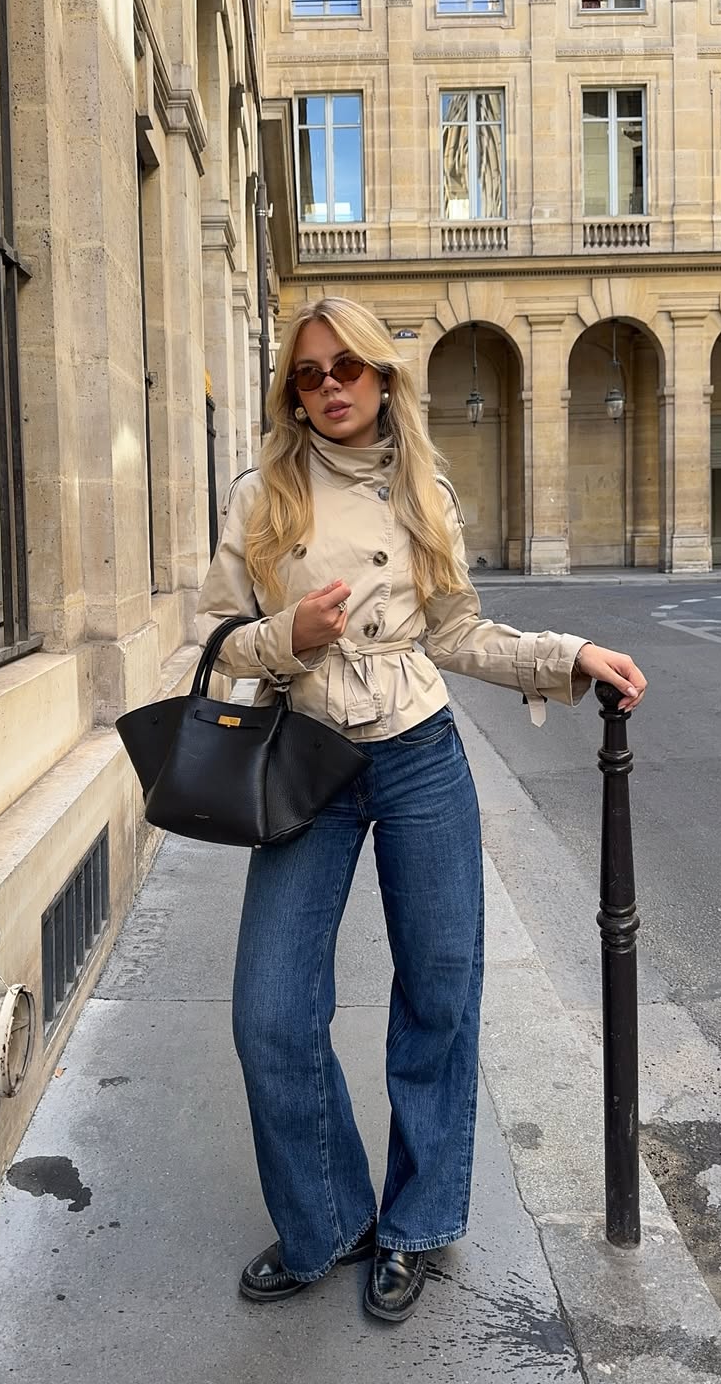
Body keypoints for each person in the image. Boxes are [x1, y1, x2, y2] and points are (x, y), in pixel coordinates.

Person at [195, 296, 647, 1323]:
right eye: (308, 375)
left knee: (439, 997)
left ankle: (415, 1223)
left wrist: (564, 657)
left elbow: (458, 633)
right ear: (291, 393)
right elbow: (211, 647)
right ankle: (325, 1220)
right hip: (305, 760)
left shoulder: (422, 490)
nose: (330, 387)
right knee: (270, 1009)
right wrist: (286, 636)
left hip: (417, 758)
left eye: (347, 366)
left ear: (383, 376)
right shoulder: (263, 496)